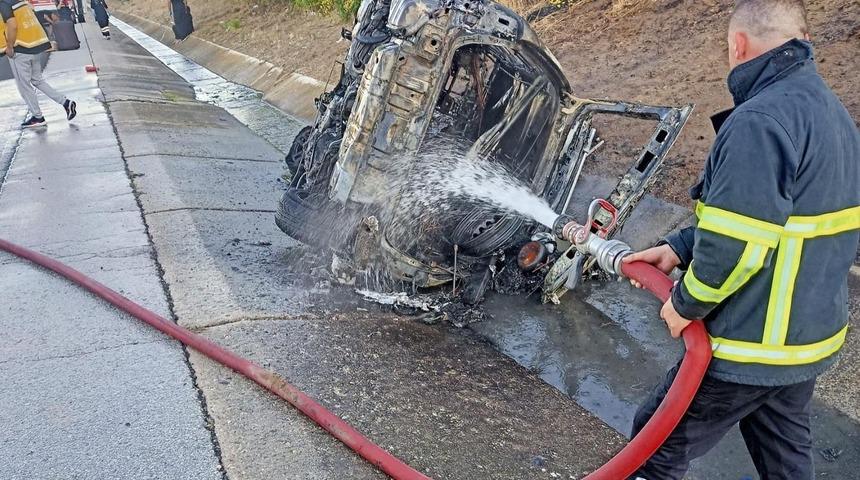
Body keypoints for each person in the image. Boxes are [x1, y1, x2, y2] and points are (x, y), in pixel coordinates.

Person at [623, 1, 860, 478]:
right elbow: (780, 217)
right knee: (786, 459)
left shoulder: (759, 121)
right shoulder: (830, 114)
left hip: (751, 341)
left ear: (738, 44)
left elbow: (738, 245)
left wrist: (685, 303)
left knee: (653, 447)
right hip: (802, 341)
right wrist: (681, 246)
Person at [2, 0, 77, 128]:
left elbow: (12, 25)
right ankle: (66, 103)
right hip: (35, 46)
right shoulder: (21, 2)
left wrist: (9, 46)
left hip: (20, 49)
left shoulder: (4, 4)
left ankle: (37, 117)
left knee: (24, 85)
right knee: (37, 80)